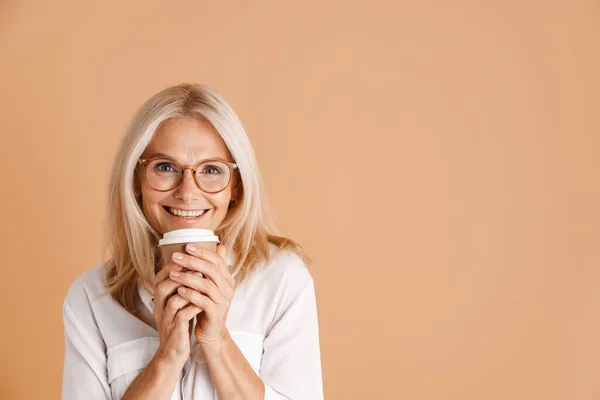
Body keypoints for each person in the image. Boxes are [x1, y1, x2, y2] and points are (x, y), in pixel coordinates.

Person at [61, 83, 323, 399]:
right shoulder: (91, 298)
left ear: (235, 187)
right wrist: (167, 357)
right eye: (165, 167)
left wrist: (217, 341)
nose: (187, 191)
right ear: (136, 180)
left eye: (211, 169)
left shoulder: (282, 281)